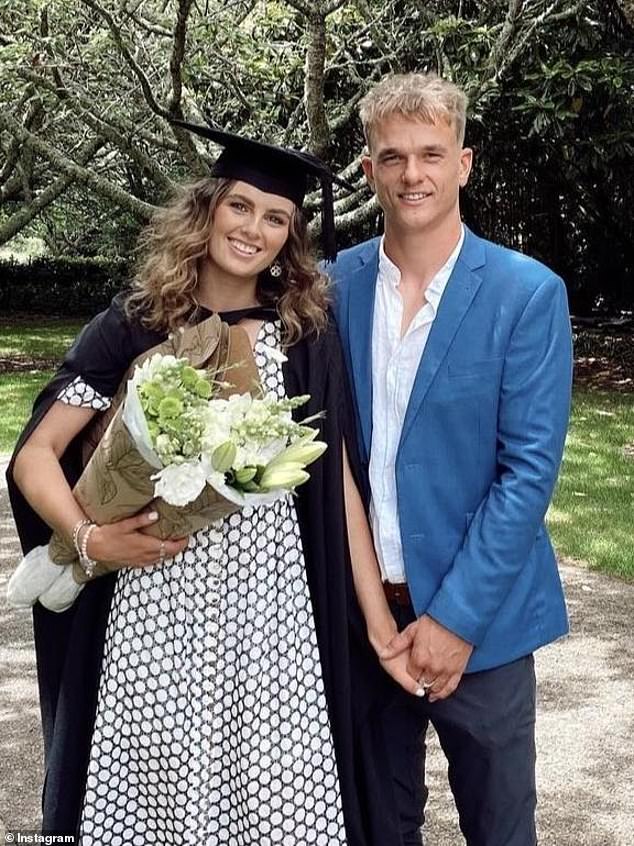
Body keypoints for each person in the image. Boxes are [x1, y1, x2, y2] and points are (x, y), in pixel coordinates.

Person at [7, 125, 413, 844]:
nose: (254, 229)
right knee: (151, 797)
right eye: (241, 206)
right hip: (153, 604)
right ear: (209, 208)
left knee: (282, 797)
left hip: (272, 611)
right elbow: (38, 453)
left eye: (276, 218)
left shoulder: (303, 334)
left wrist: (378, 626)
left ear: (290, 237)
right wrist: (89, 537)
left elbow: (337, 481)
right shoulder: (136, 323)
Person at [328, 73, 573, 846]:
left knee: (501, 832)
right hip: (365, 623)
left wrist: (455, 621)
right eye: (392, 157)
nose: (412, 174)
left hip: (484, 628)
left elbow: (526, 475)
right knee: (375, 828)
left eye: (431, 153)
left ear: (463, 164)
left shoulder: (526, 292)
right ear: (368, 171)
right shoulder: (331, 287)